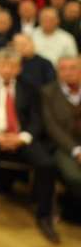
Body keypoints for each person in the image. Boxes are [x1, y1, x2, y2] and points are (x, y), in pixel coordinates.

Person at [0, 48, 59, 244]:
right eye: (3, 65)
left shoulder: (30, 87)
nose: (7, 70)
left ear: (19, 68)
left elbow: (36, 119)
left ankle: (44, 216)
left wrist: (23, 137)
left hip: (21, 136)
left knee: (47, 164)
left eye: (12, 66)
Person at [41, 55, 81, 218]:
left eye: (73, 68)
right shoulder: (48, 92)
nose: (68, 72)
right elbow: (52, 128)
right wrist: (77, 150)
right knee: (76, 178)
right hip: (63, 147)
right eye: (63, 69)